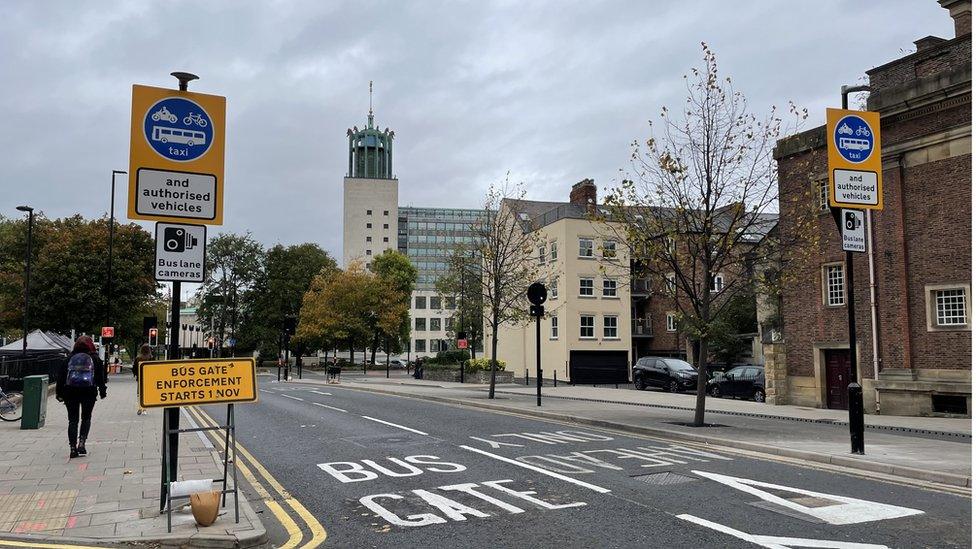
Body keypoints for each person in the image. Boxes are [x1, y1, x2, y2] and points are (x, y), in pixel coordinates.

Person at [56, 335, 108, 458]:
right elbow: (101, 378)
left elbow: (61, 377)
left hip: (70, 392)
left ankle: (72, 447)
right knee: (86, 418)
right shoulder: (95, 358)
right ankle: (82, 443)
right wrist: (102, 391)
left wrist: (59, 393)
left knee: (73, 420)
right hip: (88, 392)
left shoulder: (69, 358)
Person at [133, 344, 152, 415]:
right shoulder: (150, 357)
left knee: (139, 393)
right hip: (148, 377)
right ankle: (144, 408)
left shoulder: (138, 358)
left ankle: (139, 407)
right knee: (146, 393)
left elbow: (134, 368)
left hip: (140, 377)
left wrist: (136, 374)